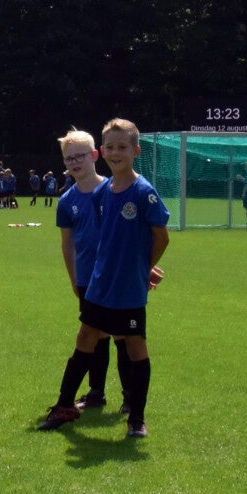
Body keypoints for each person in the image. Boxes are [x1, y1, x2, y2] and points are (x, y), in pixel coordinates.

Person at [39, 118, 169, 439]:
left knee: (134, 345)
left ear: (136, 151)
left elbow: (161, 237)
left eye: (122, 147)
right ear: (103, 150)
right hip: (98, 284)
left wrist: (142, 268)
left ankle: (136, 418)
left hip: (128, 288)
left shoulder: (143, 192)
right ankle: (64, 405)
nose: (115, 152)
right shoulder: (102, 193)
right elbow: (105, 239)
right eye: (110, 146)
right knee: (86, 337)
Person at [53, 128, 118, 412]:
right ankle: (96, 392)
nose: (74, 163)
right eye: (69, 159)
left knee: (124, 336)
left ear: (94, 155)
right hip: (87, 279)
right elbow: (67, 245)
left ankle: (131, 399)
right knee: (96, 335)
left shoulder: (114, 191)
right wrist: (74, 279)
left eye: (79, 156)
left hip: (116, 276)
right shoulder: (67, 201)